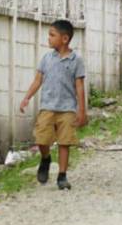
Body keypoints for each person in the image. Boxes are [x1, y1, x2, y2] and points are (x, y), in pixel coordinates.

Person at [18, 20, 87, 191]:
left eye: (52, 35)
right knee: (42, 139)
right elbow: (37, 80)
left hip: (68, 109)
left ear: (64, 39)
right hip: (47, 107)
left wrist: (82, 110)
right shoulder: (46, 58)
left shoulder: (76, 60)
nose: (48, 38)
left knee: (65, 142)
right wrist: (27, 97)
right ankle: (46, 158)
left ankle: (62, 176)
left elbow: (79, 86)